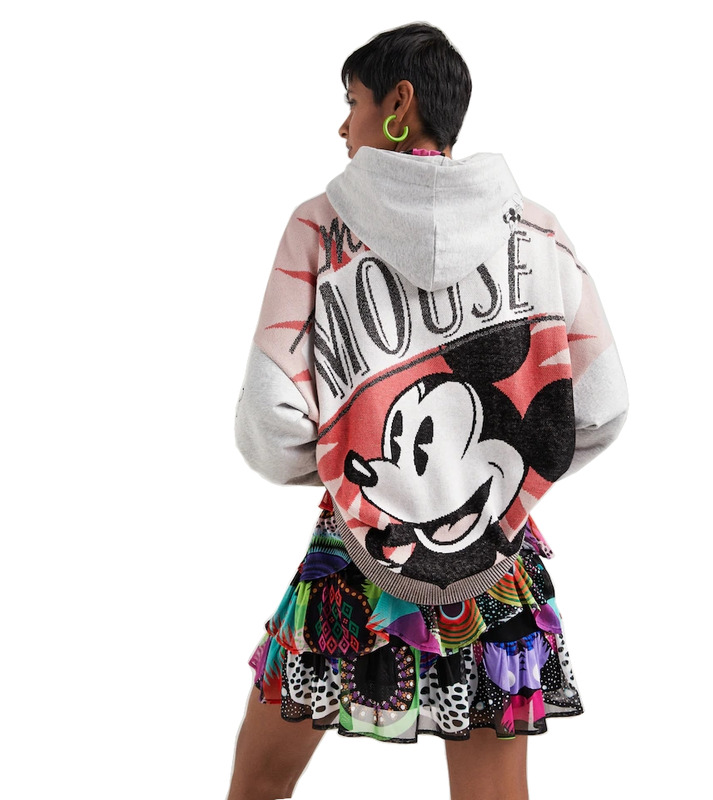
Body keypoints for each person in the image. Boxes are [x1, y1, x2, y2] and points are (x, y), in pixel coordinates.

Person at [227, 22, 628, 800]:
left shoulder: (319, 226)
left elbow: (273, 420)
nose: (342, 126)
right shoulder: (537, 230)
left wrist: (352, 474)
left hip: (353, 550)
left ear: (399, 103)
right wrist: (516, 476)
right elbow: (603, 404)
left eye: (353, 101)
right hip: (496, 552)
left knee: (259, 782)